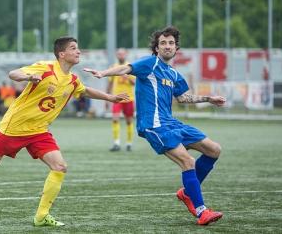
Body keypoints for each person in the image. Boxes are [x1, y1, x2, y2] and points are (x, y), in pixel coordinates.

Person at [0, 37, 129, 227]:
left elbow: (84, 91)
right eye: (73, 48)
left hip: (39, 131)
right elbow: (14, 73)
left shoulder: (72, 79)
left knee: (60, 167)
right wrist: (28, 77)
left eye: (78, 48)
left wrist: (110, 97)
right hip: (13, 127)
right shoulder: (45, 68)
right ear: (62, 54)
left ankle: (41, 216)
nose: (78, 51)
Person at [84, 26, 226, 226]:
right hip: (153, 126)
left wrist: (208, 98)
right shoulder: (150, 64)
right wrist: (103, 72)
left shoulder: (174, 74)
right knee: (188, 162)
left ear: (176, 48)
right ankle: (201, 211)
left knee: (214, 149)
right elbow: (126, 68)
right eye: (163, 43)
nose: (167, 46)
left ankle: (187, 193)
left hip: (172, 123)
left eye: (171, 43)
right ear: (157, 48)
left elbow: (183, 97)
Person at [106, 48, 135, 152]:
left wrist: (126, 76)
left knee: (128, 121)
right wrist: (107, 97)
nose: (120, 56)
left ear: (126, 55)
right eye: (119, 54)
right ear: (116, 55)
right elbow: (109, 83)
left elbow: (134, 83)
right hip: (116, 98)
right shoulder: (114, 67)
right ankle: (116, 143)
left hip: (128, 98)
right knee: (115, 119)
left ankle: (129, 143)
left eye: (122, 54)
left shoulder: (131, 67)